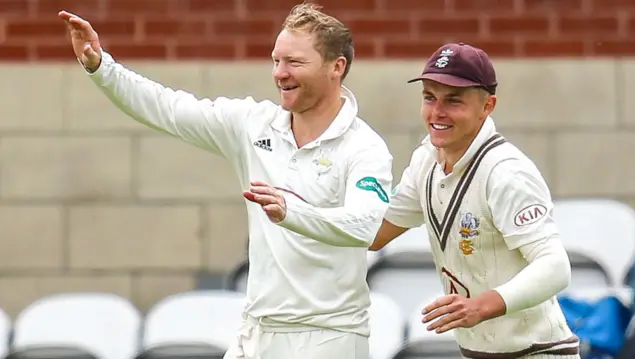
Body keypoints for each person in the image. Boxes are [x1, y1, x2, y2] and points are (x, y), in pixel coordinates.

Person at [58, 4, 392, 359]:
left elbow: (366, 225)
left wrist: (292, 211)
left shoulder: (364, 148)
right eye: (276, 60)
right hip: (257, 331)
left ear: (336, 67)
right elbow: (168, 108)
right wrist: (100, 66)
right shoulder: (253, 124)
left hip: (329, 337)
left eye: (294, 63)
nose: (280, 74)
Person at [369, 42, 580, 358]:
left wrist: (481, 306)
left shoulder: (506, 172)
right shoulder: (425, 161)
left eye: (453, 101)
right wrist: (292, 212)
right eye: (429, 97)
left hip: (538, 353)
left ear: (487, 105)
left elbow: (555, 267)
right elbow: (372, 235)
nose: (437, 112)